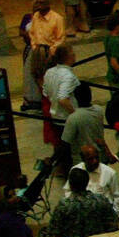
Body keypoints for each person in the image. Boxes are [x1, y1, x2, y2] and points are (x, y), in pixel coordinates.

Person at [47, 166, 119, 237]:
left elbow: (57, 234)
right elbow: (113, 226)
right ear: (87, 182)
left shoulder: (64, 206)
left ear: (70, 184)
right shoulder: (101, 200)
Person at [42, 45, 80, 173]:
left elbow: (46, 93)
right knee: (71, 150)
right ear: (68, 57)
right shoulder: (68, 76)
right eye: (73, 53)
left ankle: (62, 169)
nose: (75, 56)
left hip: (55, 116)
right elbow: (63, 98)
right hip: (66, 118)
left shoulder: (49, 72)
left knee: (62, 147)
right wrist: (76, 113)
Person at [24, 0, 66, 110]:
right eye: (37, 3)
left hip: (50, 52)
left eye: (41, 3)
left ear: (48, 4)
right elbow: (32, 33)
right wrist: (35, 47)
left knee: (50, 79)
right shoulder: (36, 16)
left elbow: (60, 38)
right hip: (37, 51)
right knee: (36, 77)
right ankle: (41, 102)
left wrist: (50, 52)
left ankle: (53, 102)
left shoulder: (57, 18)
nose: (38, 6)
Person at [61, 83, 112, 160]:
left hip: (82, 160)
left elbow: (66, 142)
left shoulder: (73, 118)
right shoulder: (99, 110)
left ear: (76, 98)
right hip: (100, 155)